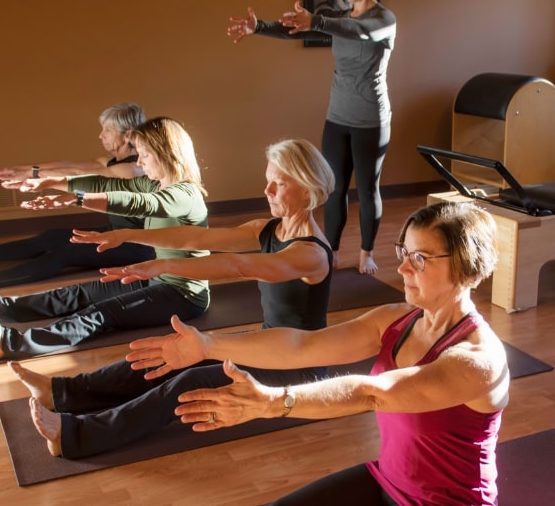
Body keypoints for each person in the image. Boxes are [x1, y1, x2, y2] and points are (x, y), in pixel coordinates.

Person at [127, 201, 508, 505]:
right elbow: (303, 345)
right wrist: (209, 345)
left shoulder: (478, 360)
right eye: (403, 251)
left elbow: (374, 393)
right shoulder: (398, 320)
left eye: (420, 258)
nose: (404, 267)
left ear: (463, 266)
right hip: (388, 483)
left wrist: (273, 402)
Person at [9, 139, 336, 459]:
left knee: (188, 379)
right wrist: (128, 234)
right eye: (268, 182)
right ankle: (61, 393)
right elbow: (194, 235)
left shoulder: (311, 254)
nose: (267, 192)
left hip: (297, 366)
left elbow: (239, 266)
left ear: (307, 190)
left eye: (278, 184)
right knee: (168, 353)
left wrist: (163, 265)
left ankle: (74, 435)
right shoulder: (269, 229)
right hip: (264, 346)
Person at [0, 117, 210, 362]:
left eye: (145, 154)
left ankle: (10, 344)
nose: (139, 160)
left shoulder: (185, 194)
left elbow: (141, 204)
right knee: (79, 293)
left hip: (181, 295)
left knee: (101, 313)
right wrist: (52, 182)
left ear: (166, 153)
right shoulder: (152, 183)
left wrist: (79, 199)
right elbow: (105, 183)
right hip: (153, 276)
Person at [228, 0, 396, 276]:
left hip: (370, 120)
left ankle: (366, 253)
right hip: (337, 117)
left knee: (367, 188)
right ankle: (331, 251)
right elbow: (298, 29)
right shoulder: (338, 19)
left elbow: (359, 32)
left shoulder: (384, 20)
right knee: (333, 189)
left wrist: (317, 21)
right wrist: (260, 27)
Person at [0, 103, 154, 289]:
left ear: (127, 135)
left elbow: (78, 175)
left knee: (65, 252)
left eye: (108, 130)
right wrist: (23, 170)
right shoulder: (110, 161)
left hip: (135, 245)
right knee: (52, 237)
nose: (101, 136)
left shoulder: (133, 169)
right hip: (115, 232)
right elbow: (70, 165)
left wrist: (35, 176)